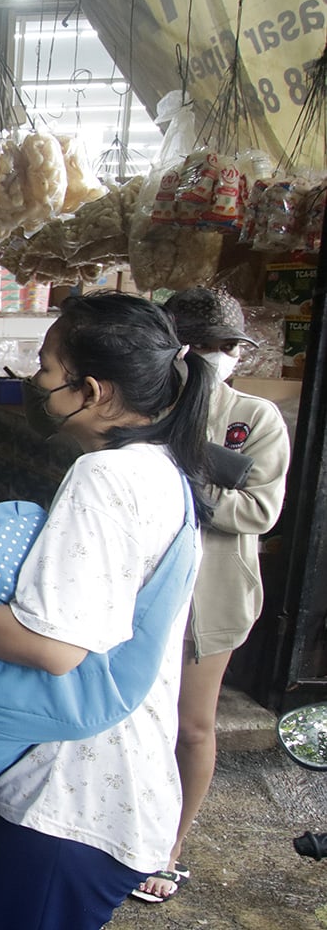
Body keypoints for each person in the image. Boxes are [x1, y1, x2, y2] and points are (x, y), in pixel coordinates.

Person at [0, 291, 213, 930]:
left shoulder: (104, 479)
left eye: (48, 367)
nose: (36, 380)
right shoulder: (163, 471)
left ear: (94, 391)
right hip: (91, 775)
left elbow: (53, 646)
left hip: (76, 795)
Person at [130, 287, 290, 902]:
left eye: (230, 346)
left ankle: (169, 848)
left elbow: (259, 509)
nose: (222, 356)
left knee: (191, 726)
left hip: (208, 596)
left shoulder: (254, 418)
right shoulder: (144, 405)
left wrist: (188, 480)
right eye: (209, 344)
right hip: (141, 589)